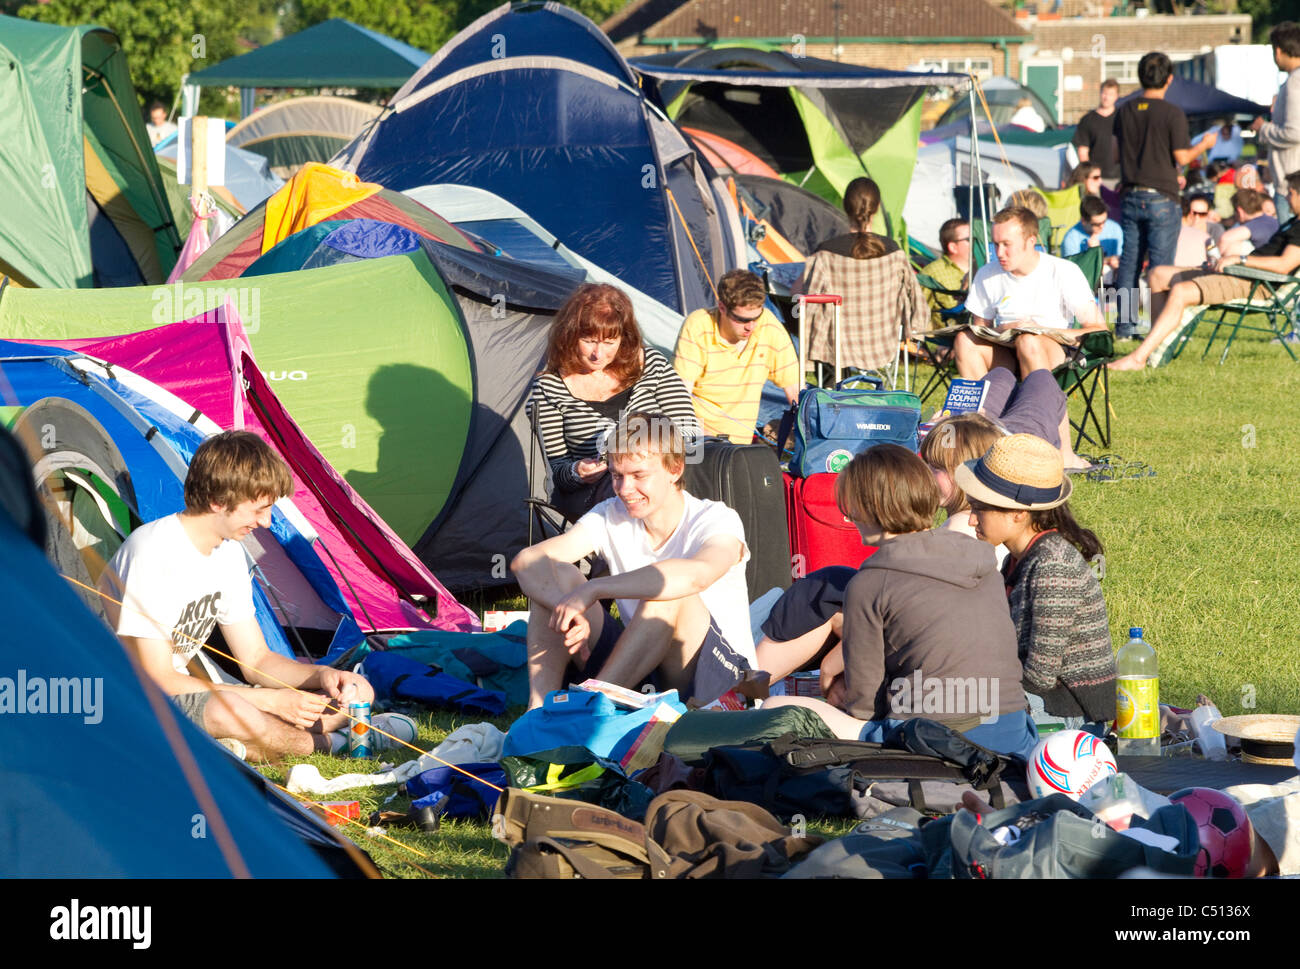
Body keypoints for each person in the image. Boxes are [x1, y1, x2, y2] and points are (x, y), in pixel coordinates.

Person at [99, 431, 392, 761]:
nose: (266, 522)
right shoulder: (151, 552)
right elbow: (159, 679)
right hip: (122, 700)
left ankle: (255, 741)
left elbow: (256, 660)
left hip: (183, 693)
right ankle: (334, 744)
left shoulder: (227, 553)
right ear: (218, 502)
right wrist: (269, 700)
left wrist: (322, 676)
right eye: (259, 510)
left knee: (355, 690)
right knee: (234, 710)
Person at [760, 445, 1035, 759]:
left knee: (775, 708)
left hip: (931, 738)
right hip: (1012, 731)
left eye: (849, 504)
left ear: (871, 507)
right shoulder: (982, 560)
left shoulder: (869, 583)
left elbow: (865, 705)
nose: (847, 515)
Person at [512, 411, 754, 709]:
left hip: (721, 678)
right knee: (556, 577)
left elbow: (697, 575)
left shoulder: (717, 518)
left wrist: (593, 590)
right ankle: (537, 711)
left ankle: (588, 709)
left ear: (675, 469)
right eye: (616, 476)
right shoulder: (611, 513)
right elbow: (527, 562)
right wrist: (569, 606)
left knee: (668, 593)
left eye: (639, 476)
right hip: (646, 665)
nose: (625, 489)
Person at [956, 434, 1117, 733]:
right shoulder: (1017, 560)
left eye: (980, 508)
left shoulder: (1053, 565)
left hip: (1069, 711)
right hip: (1036, 695)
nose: (971, 520)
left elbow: (1040, 676)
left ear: (1018, 513)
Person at [527, 283, 698, 520]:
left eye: (609, 343)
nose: (598, 353)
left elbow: (690, 434)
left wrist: (644, 451)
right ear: (569, 335)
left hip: (664, 487)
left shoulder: (652, 365)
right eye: (588, 340)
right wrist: (577, 472)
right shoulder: (548, 387)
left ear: (624, 338)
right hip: (600, 502)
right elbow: (553, 472)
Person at [953, 206, 1106, 469]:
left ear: (1030, 241)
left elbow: (1096, 329)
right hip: (1007, 350)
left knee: (1029, 341)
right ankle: (984, 439)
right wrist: (1004, 331)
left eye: (1006, 244)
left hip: (1053, 349)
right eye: (995, 244)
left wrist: (1039, 330)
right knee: (965, 341)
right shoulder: (988, 274)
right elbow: (980, 329)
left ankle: (1060, 452)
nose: (999, 252)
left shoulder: (1062, 271)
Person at [1110, 171, 1300, 369]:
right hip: (1240, 273)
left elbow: (1284, 265)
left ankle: (1138, 358)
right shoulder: (1292, 223)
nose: (1287, 198)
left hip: (1256, 283)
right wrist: (1230, 262)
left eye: (1291, 193)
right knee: (1158, 274)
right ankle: (1156, 349)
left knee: (1181, 291)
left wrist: (1241, 259)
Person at [1114, 52, 1218, 340]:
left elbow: (1113, 153)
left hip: (1131, 193)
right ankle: (1158, 329)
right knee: (1161, 267)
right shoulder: (1172, 113)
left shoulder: (1124, 110)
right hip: (1162, 195)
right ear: (1169, 79)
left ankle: (1125, 327)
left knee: (1129, 263)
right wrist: (1205, 143)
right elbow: (1182, 155)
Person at [799, 177, 927, 374]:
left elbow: (807, 301)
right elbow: (917, 301)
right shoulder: (894, 253)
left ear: (845, 206)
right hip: (883, 345)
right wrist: (917, 330)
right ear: (876, 209)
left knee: (791, 309)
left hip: (837, 348)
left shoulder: (826, 254)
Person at [672, 269, 799, 444]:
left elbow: (795, 391)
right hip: (699, 439)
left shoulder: (769, 327)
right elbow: (678, 397)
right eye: (742, 320)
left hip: (740, 445)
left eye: (757, 317)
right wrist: (701, 436)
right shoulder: (698, 326)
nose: (751, 326)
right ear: (722, 307)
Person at [920, 413, 1007, 567]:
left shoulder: (958, 528)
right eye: (926, 463)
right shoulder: (996, 521)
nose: (925, 472)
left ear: (969, 472)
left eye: (937, 467)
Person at [1251, 22, 1300, 224]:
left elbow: (1294, 132)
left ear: (1278, 51)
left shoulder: (1295, 82)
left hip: (1292, 184)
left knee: (1291, 247)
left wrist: (1263, 128)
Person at [919, 218, 970, 327]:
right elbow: (919, 315)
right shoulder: (931, 273)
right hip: (945, 341)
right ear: (953, 247)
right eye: (969, 239)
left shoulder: (983, 268)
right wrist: (933, 343)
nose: (976, 242)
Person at [1061, 195, 1123, 282]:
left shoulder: (1115, 228)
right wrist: (1093, 253)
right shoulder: (1071, 239)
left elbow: (1121, 259)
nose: (1102, 226)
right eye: (1097, 224)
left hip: (1114, 282)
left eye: (1104, 221)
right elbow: (1072, 272)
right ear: (1083, 221)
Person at [1073, 79, 1121, 190]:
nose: (1106, 97)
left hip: (1119, 177)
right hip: (1095, 179)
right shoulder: (1088, 120)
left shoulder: (1122, 117)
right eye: (1104, 93)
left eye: (1110, 94)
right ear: (1100, 93)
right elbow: (1083, 151)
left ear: (1116, 96)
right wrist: (1089, 175)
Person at [1217, 189, 1279, 259]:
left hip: (1266, 265)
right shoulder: (1271, 221)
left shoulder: (1258, 223)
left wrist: (1216, 259)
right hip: (1272, 262)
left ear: (1240, 211)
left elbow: (1225, 238)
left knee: (1234, 247)